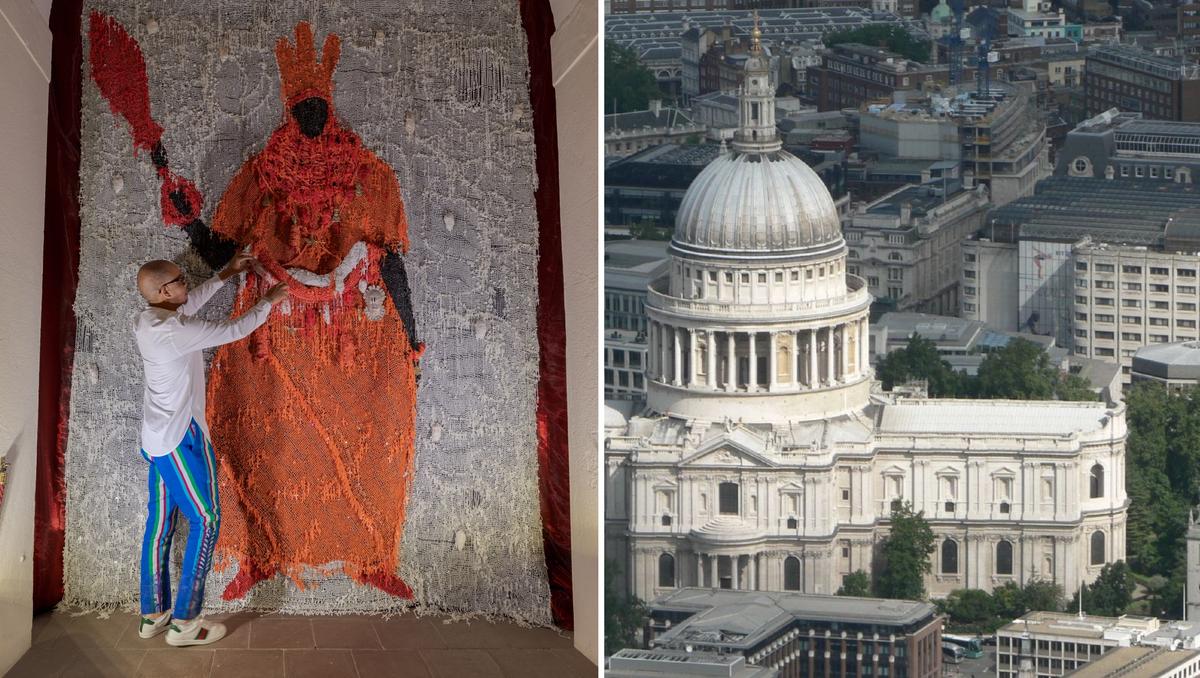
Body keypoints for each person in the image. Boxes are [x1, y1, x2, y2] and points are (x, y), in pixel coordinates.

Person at [133, 253, 287, 646]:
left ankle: (153, 615)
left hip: (156, 440)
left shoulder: (151, 318)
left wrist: (226, 275)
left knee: (160, 526)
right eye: (181, 280)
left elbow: (189, 305)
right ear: (165, 291)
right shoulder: (173, 331)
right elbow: (234, 329)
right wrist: (269, 300)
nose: (188, 283)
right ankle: (186, 623)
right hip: (180, 440)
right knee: (206, 519)